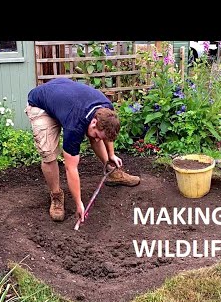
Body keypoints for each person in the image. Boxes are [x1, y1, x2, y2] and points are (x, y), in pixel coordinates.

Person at [25, 78, 140, 223]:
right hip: (41, 105)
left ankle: (111, 172)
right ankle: (56, 196)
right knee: (48, 154)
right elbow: (70, 167)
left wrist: (111, 155)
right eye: (98, 135)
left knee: (94, 136)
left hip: (64, 99)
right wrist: (79, 203)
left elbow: (105, 135)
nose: (99, 140)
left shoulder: (106, 109)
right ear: (93, 122)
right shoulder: (75, 125)